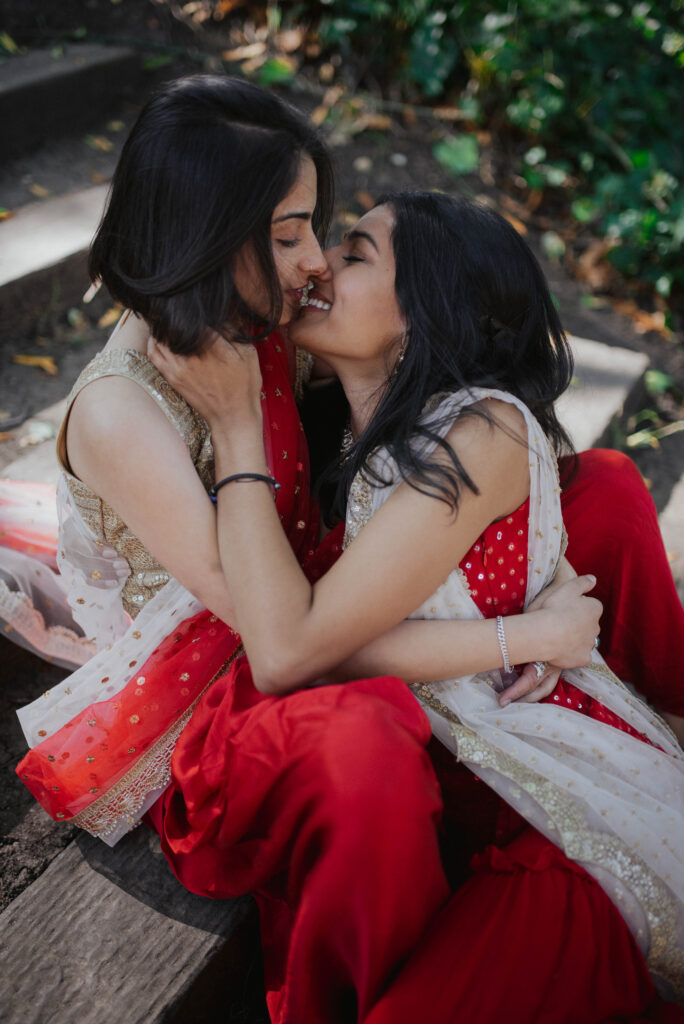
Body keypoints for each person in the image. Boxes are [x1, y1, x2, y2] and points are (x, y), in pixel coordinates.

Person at [138, 192, 684, 1021]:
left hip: (561, 817)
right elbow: (303, 636)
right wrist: (526, 631)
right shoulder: (365, 436)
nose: (318, 265)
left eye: (354, 255)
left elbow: (291, 652)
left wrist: (237, 426)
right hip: (470, 787)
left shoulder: (482, 432)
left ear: (429, 309)